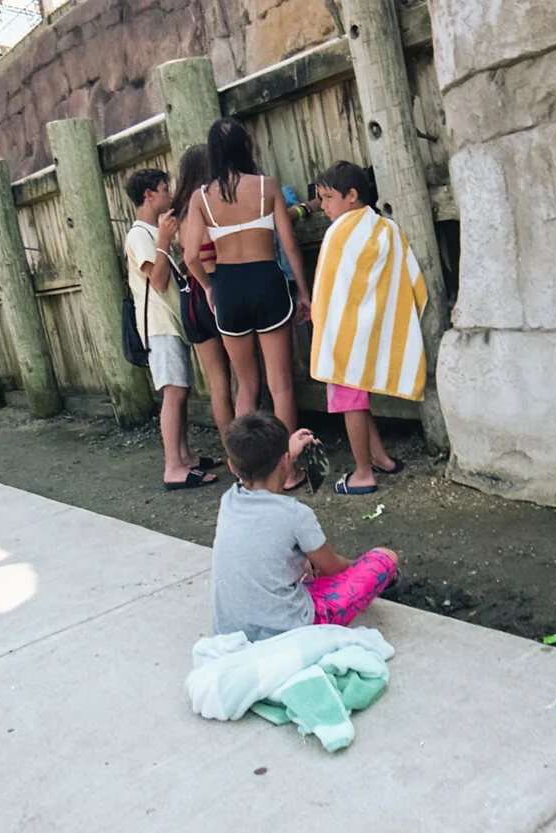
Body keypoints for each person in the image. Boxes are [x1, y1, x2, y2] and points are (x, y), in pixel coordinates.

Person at [181, 118, 313, 489]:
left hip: (228, 287)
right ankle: (289, 472)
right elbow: (289, 244)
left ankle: (246, 472)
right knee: (281, 385)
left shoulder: (201, 197)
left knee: (246, 386)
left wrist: (209, 287)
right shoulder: (267, 186)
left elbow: (190, 256)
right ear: (246, 147)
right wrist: (304, 291)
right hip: (266, 280)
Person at [211, 411, 399, 642]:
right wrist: (359, 566)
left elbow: (254, 476)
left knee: (305, 565)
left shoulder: (229, 500)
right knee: (384, 557)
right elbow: (334, 568)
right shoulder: (295, 514)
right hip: (291, 630)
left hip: (231, 630)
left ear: (232, 467)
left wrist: (287, 453)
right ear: (285, 461)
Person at [310, 161, 427, 495]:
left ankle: (363, 473)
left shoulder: (339, 233)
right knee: (358, 398)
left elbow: (329, 289)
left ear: (351, 195)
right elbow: (407, 279)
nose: (323, 206)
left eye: (328, 198)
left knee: (350, 402)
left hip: (343, 336)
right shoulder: (385, 228)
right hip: (369, 332)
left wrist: (322, 321)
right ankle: (381, 459)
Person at [123, 168, 219, 491]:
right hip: (158, 325)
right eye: (165, 189)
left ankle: (185, 457)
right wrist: (164, 241)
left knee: (181, 390)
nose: (170, 194)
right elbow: (159, 280)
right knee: (173, 392)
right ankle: (173, 467)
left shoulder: (151, 232)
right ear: (149, 195)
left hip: (170, 323)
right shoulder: (139, 235)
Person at [169, 144, 235, 441]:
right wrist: (211, 286)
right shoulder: (213, 205)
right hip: (217, 288)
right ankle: (251, 449)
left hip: (191, 298)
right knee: (245, 379)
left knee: (217, 382)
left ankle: (232, 452)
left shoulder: (180, 213)